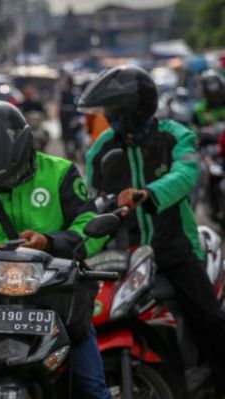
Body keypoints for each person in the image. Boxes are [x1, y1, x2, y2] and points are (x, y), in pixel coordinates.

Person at [0, 101, 111, 399]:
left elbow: (89, 225)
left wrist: (50, 241)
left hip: (58, 291)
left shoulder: (61, 173)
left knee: (92, 388)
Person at [81, 64, 225, 395]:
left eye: (115, 111)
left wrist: (148, 193)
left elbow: (187, 175)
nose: (110, 118)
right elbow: (91, 197)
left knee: (209, 319)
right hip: (121, 254)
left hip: (174, 249)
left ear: (136, 108)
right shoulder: (101, 147)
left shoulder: (176, 135)